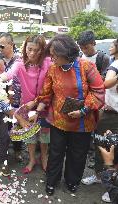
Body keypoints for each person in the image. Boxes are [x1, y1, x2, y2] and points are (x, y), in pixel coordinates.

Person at [36, 34, 105, 195]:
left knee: (78, 154)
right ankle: (52, 181)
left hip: (83, 122)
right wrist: (39, 106)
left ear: (66, 53)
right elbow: (46, 93)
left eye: (54, 55)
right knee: (56, 152)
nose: (51, 58)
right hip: (59, 121)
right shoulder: (53, 69)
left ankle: (72, 181)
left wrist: (83, 110)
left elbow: (99, 92)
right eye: (51, 55)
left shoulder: (86, 66)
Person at [0, 35, 52, 174]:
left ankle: (44, 158)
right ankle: (32, 159)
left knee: (44, 134)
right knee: (30, 134)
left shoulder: (48, 62)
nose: (33, 53)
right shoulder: (20, 63)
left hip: (45, 104)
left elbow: (51, 86)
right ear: (25, 48)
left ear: (43, 50)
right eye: (29, 49)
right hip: (27, 106)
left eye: (37, 50)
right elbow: (9, 74)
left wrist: (40, 105)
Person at [82, 39, 118, 203]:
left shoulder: (114, 64)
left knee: (111, 149)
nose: (110, 47)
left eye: (113, 45)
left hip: (113, 115)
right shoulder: (113, 63)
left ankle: (111, 187)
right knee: (101, 145)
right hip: (107, 112)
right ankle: (99, 177)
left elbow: (104, 83)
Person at [0, 32, 23, 162]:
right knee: (2, 126)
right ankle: (2, 148)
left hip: (17, 100)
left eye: (2, 46)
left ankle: (18, 150)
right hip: (2, 100)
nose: (0, 49)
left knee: (16, 125)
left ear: (11, 45)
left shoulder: (20, 60)